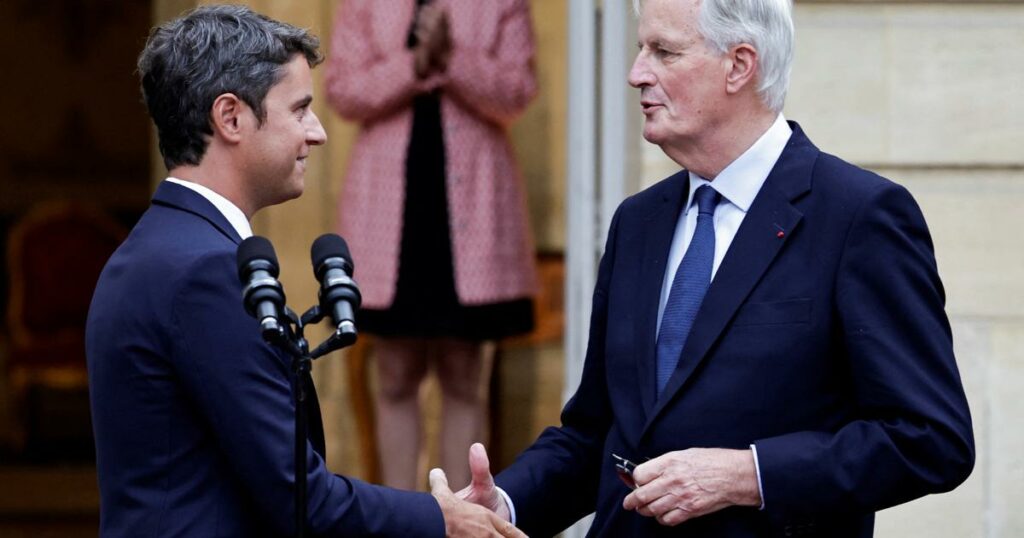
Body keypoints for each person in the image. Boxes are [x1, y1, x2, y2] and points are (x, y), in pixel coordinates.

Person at [448, 0, 976, 536]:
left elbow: (930, 438)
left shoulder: (858, 216)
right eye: (639, 49)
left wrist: (750, 474)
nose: (636, 75)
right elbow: (598, 431)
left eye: (664, 52)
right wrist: (507, 504)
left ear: (739, 65)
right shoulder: (637, 222)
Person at [85, 5, 524, 537]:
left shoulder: (159, 246)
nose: (316, 133)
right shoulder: (204, 271)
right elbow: (302, 500)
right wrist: (440, 519)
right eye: (299, 110)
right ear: (231, 118)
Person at [324, 0, 538, 490]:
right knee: (395, 376)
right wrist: (415, 62)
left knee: (465, 378)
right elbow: (343, 91)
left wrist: (452, 55)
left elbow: (517, 92)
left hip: (472, 213)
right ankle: (401, 519)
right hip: (389, 212)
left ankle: (464, 519)